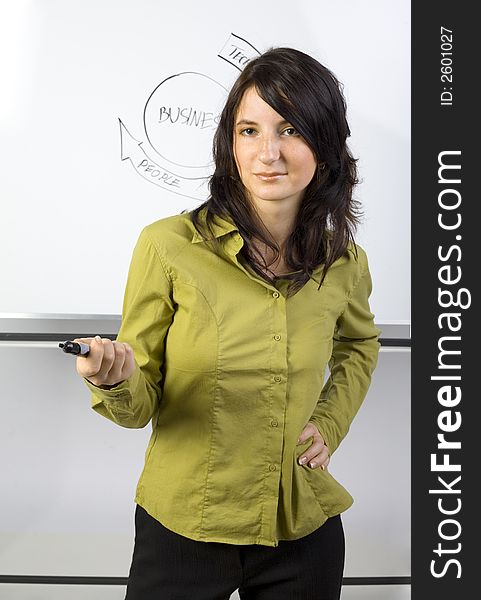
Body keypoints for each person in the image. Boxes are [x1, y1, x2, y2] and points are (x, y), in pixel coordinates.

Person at [75, 47, 381, 600]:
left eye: (290, 129)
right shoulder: (167, 246)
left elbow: (360, 344)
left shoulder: (344, 262)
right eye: (249, 130)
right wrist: (114, 378)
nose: (269, 152)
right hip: (185, 527)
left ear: (326, 146)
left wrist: (330, 424)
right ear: (229, 145)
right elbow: (138, 406)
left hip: (300, 525)